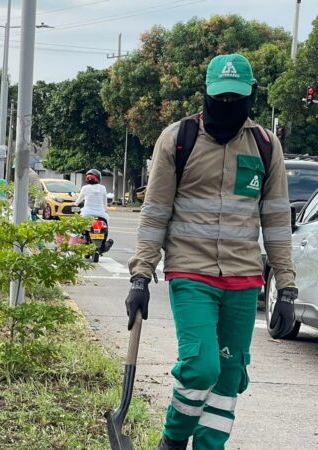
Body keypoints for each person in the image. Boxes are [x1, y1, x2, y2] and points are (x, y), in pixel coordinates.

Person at [125, 54, 297, 450]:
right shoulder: (177, 140)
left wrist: (285, 287)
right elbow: (154, 213)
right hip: (191, 272)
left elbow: (275, 222)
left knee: (229, 377)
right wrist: (140, 274)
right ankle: (171, 441)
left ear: (250, 97)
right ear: (204, 94)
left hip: (244, 277)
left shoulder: (266, 147)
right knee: (201, 367)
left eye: (235, 100)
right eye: (218, 99)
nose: (226, 108)